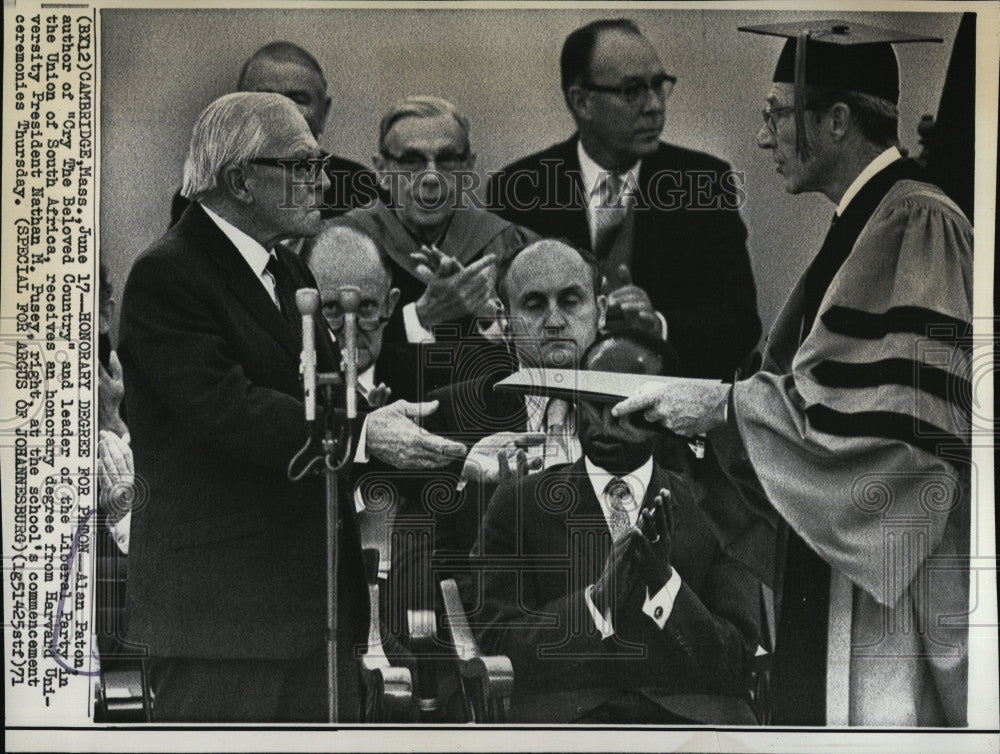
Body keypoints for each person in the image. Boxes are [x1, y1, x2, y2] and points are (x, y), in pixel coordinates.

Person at [612, 21, 972, 726]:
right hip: (845, 555)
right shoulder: (864, 220)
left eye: (776, 114)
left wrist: (722, 408)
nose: (762, 138)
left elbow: (896, 429)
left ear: (836, 120)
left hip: (894, 568)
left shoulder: (918, 221)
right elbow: (818, 392)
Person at [120, 92, 374, 722]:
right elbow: (228, 411)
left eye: (321, 163)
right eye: (301, 165)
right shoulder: (167, 274)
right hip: (221, 625)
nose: (320, 181)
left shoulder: (290, 271)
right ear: (239, 180)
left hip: (311, 612)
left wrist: (388, 418)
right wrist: (364, 435)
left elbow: (321, 399)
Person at [474, 330, 761, 723]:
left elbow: (737, 660)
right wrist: (597, 602)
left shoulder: (713, 508)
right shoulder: (520, 505)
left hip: (688, 727)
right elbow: (498, 646)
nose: (606, 423)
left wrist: (665, 587)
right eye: (593, 403)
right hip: (566, 728)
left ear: (665, 415)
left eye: (627, 407)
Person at [487, 18, 761, 379]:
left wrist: (658, 326)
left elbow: (741, 323)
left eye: (659, 85)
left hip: (662, 406)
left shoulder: (704, 183)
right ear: (581, 101)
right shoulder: (520, 189)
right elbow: (497, 326)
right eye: (632, 90)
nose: (654, 106)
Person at [326, 95, 536, 347]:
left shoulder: (508, 244)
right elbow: (324, 344)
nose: (431, 177)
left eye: (447, 159)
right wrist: (422, 316)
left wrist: (489, 314)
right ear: (381, 170)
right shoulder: (340, 244)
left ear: (468, 167)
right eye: (412, 161)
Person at [170, 41, 376, 226]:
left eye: (298, 98)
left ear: (323, 112)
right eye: (264, 98)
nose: (282, 113)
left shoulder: (359, 189)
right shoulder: (203, 196)